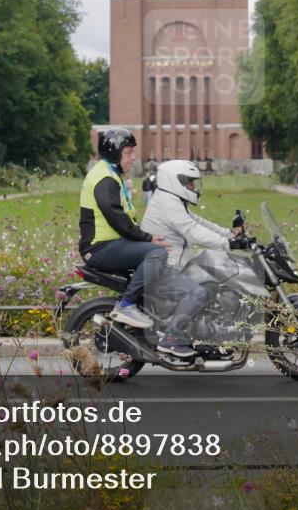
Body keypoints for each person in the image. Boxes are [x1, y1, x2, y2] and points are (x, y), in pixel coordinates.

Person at [141, 160, 247, 356]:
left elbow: (198, 221)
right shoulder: (167, 202)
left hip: (172, 264)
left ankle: (203, 333)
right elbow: (192, 231)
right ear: (175, 181)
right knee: (198, 293)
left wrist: (230, 234)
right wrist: (227, 243)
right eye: (189, 182)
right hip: (163, 268)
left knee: (210, 283)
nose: (193, 187)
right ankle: (170, 338)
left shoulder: (170, 200)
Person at [79, 128, 171, 332]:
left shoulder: (110, 173)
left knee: (153, 254)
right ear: (114, 152)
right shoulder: (105, 179)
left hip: (109, 244)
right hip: (100, 248)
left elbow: (124, 218)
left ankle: (147, 311)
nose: (133, 157)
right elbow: (117, 219)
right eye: (128, 152)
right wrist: (148, 238)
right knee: (157, 253)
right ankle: (127, 305)